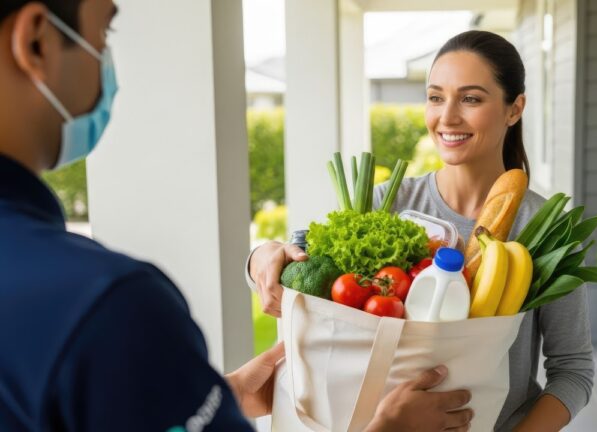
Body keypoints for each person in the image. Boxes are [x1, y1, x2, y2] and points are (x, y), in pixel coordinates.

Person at [0, 1, 474, 430]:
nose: (109, 66)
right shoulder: (108, 306)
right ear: (37, 40)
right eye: (104, 35)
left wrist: (221, 397)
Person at [248, 30, 595, 431]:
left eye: (471, 98)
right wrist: (261, 256)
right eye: (435, 97)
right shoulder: (390, 204)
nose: (446, 117)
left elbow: (573, 370)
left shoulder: (543, 230)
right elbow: (304, 260)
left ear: (514, 108)